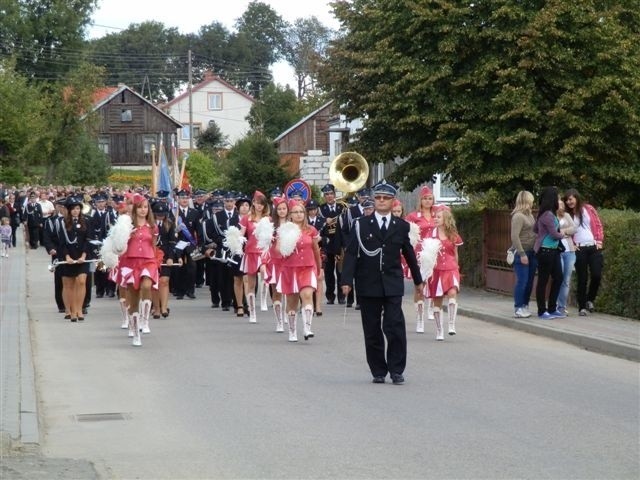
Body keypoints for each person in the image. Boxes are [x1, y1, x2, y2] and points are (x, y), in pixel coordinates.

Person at [341, 180, 423, 385]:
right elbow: (351, 253)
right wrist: (346, 280)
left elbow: (409, 254)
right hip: (368, 284)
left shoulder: (401, 226)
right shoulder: (361, 224)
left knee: (395, 326)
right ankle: (378, 370)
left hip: (392, 283)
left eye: (386, 198)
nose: (381, 201)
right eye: (378, 198)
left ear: (393, 201)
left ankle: (396, 369)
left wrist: (418, 280)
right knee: (372, 328)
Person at [277, 199, 323, 342]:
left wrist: (319, 268)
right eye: (295, 212)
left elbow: (316, 250)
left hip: (308, 267)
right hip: (290, 269)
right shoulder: (284, 230)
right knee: (292, 303)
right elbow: (278, 250)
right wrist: (286, 246)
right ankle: (292, 331)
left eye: (301, 212)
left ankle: (307, 328)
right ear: (290, 215)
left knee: (307, 295)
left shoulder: (311, 230)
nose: (298, 215)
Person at [117, 194, 159, 346]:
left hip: (148, 261)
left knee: (147, 285)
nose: (143, 210)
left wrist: (155, 260)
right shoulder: (127, 225)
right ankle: (135, 333)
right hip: (130, 262)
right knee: (133, 298)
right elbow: (119, 246)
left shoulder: (153, 226)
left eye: (146, 207)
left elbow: (154, 246)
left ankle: (145, 320)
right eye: (140, 207)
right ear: (135, 208)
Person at [563, 188, 604, 316]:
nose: (569, 202)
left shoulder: (589, 209)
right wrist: (573, 245)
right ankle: (582, 307)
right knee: (582, 278)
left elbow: (597, 224)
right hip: (579, 249)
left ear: (576, 197)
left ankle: (590, 299)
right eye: (567, 200)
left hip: (593, 247)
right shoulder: (567, 214)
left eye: (571, 199)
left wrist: (599, 240)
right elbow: (564, 231)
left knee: (596, 275)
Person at [425, 208, 464, 340]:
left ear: (446, 219)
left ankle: (451, 324)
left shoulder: (453, 235)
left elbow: (456, 254)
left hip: (451, 268)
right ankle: (439, 330)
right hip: (436, 271)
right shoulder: (431, 234)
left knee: (452, 293)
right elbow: (426, 255)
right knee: (438, 300)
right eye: (435, 217)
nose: (435, 218)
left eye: (439, 217)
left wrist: (457, 268)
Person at [405, 186, 439, 333]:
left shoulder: (438, 214)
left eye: (430, 198)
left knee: (434, 282)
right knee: (420, 285)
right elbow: (408, 234)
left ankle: (431, 305)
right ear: (420, 200)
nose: (427, 201)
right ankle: (419, 318)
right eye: (425, 198)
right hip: (419, 254)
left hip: (436, 252)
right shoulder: (414, 216)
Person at [57, 196, 94, 322]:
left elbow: (88, 239)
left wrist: (84, 255)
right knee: (70, 285)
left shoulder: (86, 221)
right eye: (73, 209)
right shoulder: (63, 223)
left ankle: (79, 309)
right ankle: (72, 311)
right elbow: (62, 242)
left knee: (82, 281)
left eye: (78, 208)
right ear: (69, 210)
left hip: (82, 256)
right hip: (69, 256)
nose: (75, 211)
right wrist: (67, 256)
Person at [533, 186, 566, 319]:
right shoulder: (547, 215)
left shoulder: (547, 214)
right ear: (552, 199)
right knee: (543, 280)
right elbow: (554, 234)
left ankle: (552, 308)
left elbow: (536, 229)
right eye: (557, 198)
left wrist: (543, 232)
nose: (559, 200)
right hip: (546, 251)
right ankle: (542, 311)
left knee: (558, 277)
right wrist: (562, 234)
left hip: (554, 251)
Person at [239, 191, 271, 323]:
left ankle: (263, 299)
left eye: (262, 204)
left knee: (265, 273)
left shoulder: (268, 219)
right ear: (253, 203)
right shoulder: (247, 218)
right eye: (257, 203)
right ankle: (252, 312)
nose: (259, 206)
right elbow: (242, 233)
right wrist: (238, 240)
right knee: (250, 284)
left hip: (263, 251)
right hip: (251, 251)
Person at [510, 191, 537, 318]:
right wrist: (521, 254)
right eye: (531, 201)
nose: (533, 203)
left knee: (530, 281)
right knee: (523, 281)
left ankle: (525, 304)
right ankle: (518, 307)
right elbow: (514, 236)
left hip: (532, 252)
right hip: (523, 252)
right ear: (526, 201)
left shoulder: (530, 215)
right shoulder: (518, 216)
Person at [319, 183, 345, 305]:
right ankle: (330, 295)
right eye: (327, 194)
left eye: (331, 194)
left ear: (335, 195)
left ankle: (341, 296)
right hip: (328, 244)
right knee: (329, 272)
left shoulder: (342, 207)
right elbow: (319, 227)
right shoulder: (321, 209)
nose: (329, 196)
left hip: (339, 243)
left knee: (340, 271)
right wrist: (325, 220)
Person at [151, 202, 177, 319]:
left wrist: (171, 257)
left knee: (164, 281)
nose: (160, 216)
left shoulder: (170, 224)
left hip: (166, 256)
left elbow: (172, 242)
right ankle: (156, 308)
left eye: (162, 214)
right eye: (158, 214)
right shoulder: (148, 224)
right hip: (151, 255)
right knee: (154, 283)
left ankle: (164, 307)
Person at [266, 196, 288, 331]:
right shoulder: (270, 225)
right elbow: (265, 244)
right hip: (274, 260)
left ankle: (287, 312)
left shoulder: (293, 223)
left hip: (289, 260)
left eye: (284, 208)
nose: (281, 211)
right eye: (279, 209)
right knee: (276, 290)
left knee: (289, 290)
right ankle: (279, 320)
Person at [556, 199, 577, 315]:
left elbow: (574, 228)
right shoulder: (552, 216)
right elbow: (552, 231)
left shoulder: (567, 215)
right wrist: (564, 232)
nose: (561, 206)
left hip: (569, 251)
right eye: (559, 204)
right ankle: (554, 304)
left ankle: (562, 307)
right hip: (557, 251)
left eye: (562, 204)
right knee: (558, 277)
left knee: (566, 280)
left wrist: (561, 232)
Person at [306, 199, 326, 316]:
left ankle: (318, 306)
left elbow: (328, 237)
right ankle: (309, 303)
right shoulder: (303, 222)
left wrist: (321, 239)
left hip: (320, 250)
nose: (312, 212)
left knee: (319, 277)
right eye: (310, 210)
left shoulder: (323, 221)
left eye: (314, 209)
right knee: (307, 279)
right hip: (307, 252)